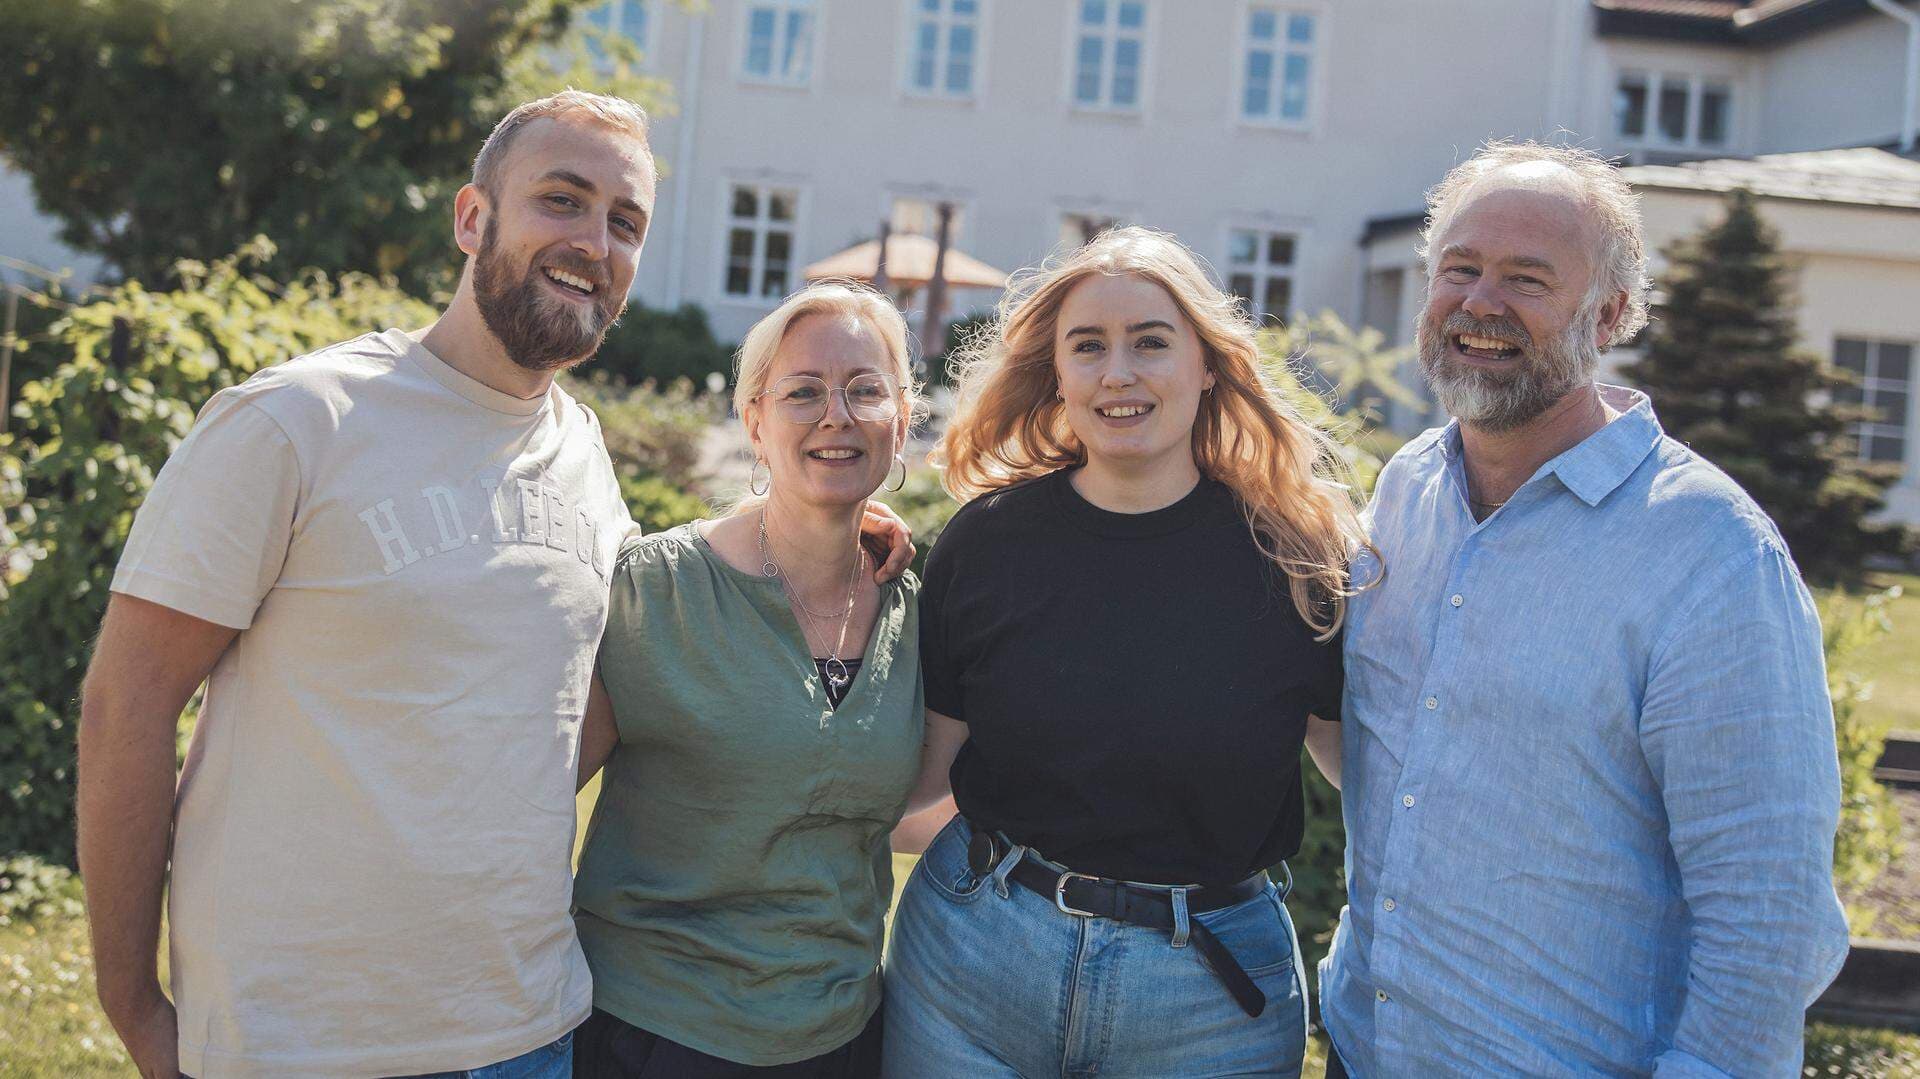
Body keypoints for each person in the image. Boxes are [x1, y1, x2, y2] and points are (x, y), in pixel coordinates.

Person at [76, 92, 910, 1079]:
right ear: (473, 218)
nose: (595, 241)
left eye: (625, 223)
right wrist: (131, 1002)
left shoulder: (584, 451)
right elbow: (124, 703)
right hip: (298, 1037)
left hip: (528, 1027)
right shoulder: (296, 421)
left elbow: (647, 623)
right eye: (562, 200)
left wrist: (836, 526)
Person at [1318, 141, 1850, 1078]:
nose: (1481, 303)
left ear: (1609, 315)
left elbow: (1770, 917)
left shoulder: (1710, 553)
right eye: (1461, 269)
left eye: (1527, 278)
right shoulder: (1408, 493)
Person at [882, 227, 1363, 1078]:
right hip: (975, 960)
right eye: (1088, 347)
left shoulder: (1294, 558)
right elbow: (916, 774)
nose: (1118, 373)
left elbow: (1366, 769)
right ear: (1058, 374)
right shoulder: (988, 543)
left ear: (1207, 365)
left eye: (1150, 342)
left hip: (1207, 1001)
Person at [569, 281, 925, 1078]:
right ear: (755, 421)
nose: (836, 413)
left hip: (841, 1035)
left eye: (865, 389)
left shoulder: (911, 611)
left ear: (902, 420)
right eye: (803, 391)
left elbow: (909, 806)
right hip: (658, 1031)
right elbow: (536, 799)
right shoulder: (657, 592)